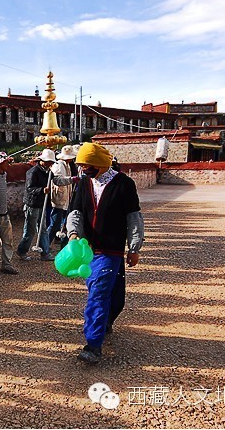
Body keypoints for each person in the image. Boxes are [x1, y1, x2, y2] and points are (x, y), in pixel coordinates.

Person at [66, 143, 144, 364]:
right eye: (81, 165)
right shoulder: (84, 183)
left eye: (86, 164)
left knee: (107, 295)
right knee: (103, 291)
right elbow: (76, 211)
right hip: (89, 249)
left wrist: (134, 247)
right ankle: (98, 334)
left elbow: (133, 217)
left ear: (99, 163)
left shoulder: (124, 184)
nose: (83, 169)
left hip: (112, 249)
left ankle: (98, 334)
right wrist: (73, 233)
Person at [16, 149, 76, 261]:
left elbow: (57, 181)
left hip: (42, 204)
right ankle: (22, 251)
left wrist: (71, 180)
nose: (51, 164)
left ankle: (45, 253)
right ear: (42, 161)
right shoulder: (33, 172)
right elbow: (29, 189)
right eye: (49, 161)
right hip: (32, 204)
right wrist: (42, 190)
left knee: (42, 229)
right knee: (30, 230)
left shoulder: (48, 171)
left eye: (51, 162)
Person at [47, 145, 76, 257]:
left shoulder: (67, 165)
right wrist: (71, 180)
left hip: (65, 197)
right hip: (59, 198)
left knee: (64, 224)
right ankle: (46, 246)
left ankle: (62, 247)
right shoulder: (59, 166)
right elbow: (57, 180)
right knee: (55, 224)